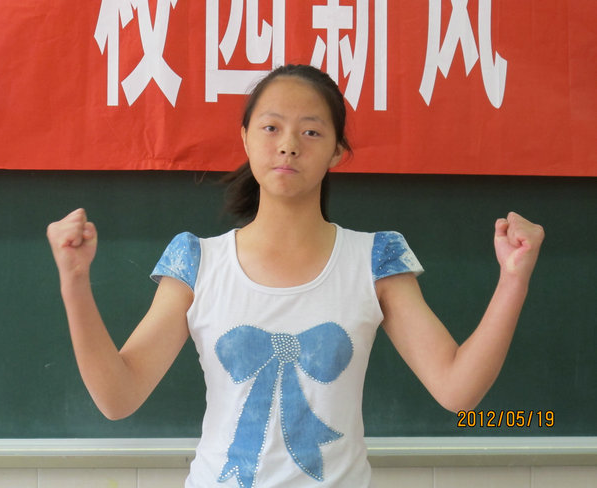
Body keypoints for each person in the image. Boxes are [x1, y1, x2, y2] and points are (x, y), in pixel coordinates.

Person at [46, 64, 544, 488]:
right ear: (245, 138)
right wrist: (74, 282)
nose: (288, 146)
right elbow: (118, 398)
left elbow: (458, 391)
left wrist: (513, 278)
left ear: (337, 152)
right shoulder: (197, 259)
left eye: (311, 132)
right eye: (271, 128)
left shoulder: (375, 258)